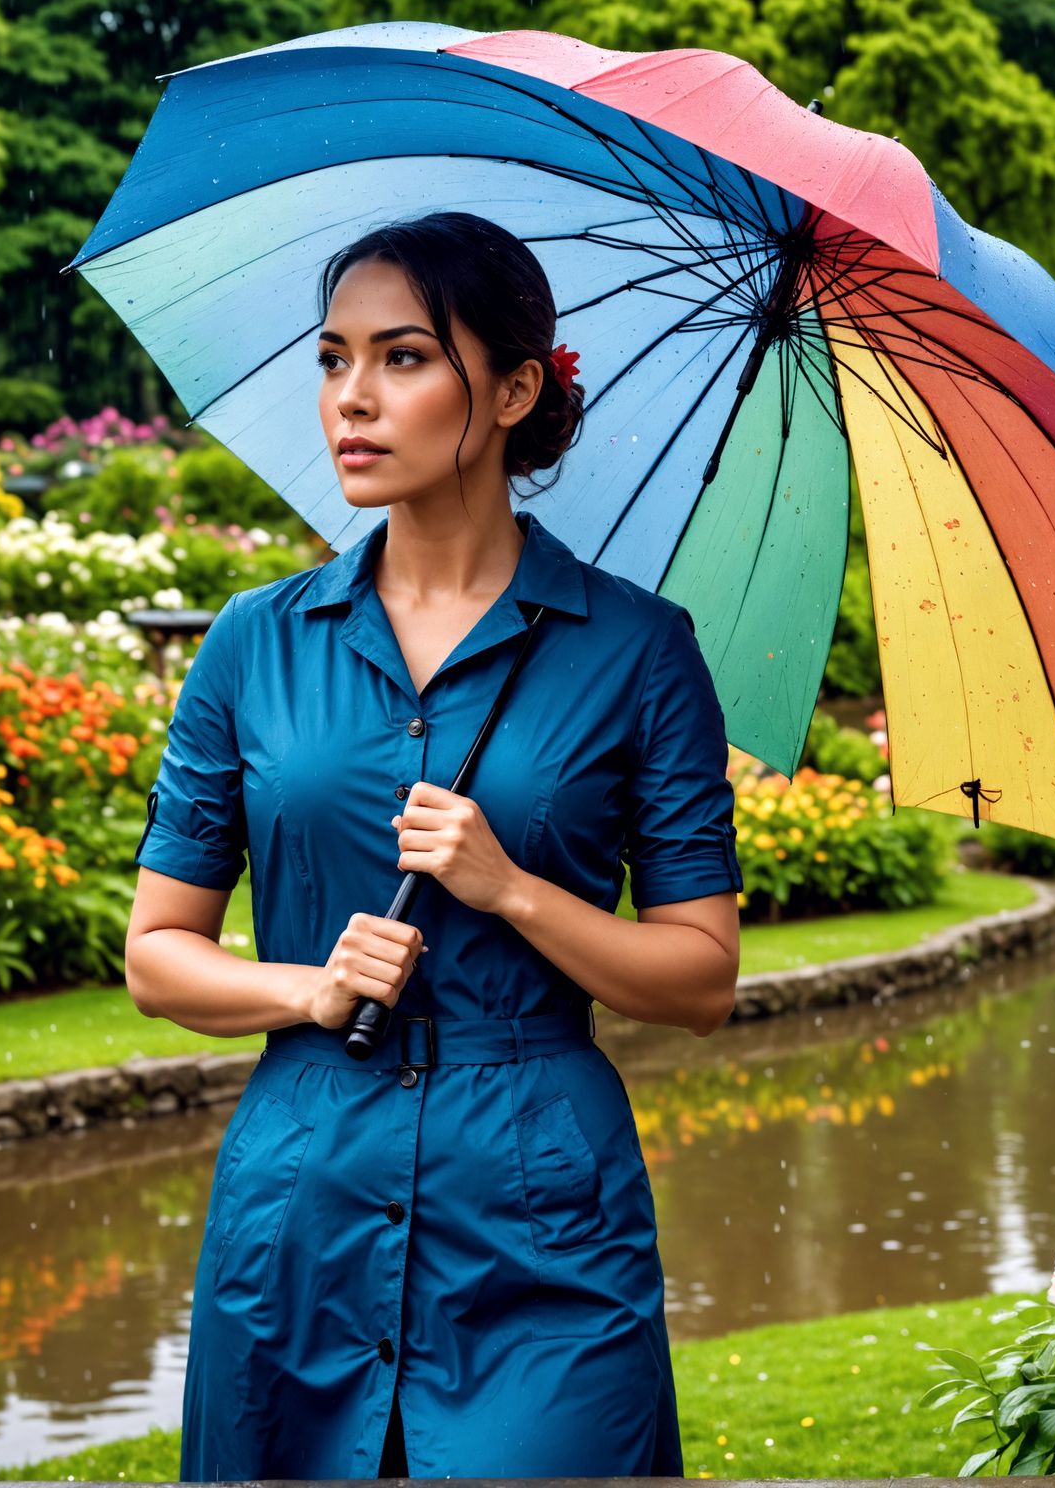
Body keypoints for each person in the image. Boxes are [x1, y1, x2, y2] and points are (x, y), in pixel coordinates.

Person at [124, 209, 744, 1481]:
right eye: (332, 356)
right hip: (299, 1204)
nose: (352, 397)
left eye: (402, 358)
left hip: (542, 1219)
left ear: (513, 388)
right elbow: (158, 956)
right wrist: (309, 986)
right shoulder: (256, 643)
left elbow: (700, 980)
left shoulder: (637, 650)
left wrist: (511, 890)